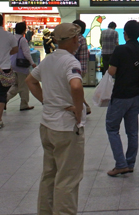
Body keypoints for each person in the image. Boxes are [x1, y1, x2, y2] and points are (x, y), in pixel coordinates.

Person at [25, 23, 86, 215]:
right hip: (65, 128)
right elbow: (76, 86)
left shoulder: (49, 59)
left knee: (49, 175)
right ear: (74, 40)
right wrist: (78, 110)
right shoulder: (71, 62)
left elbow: (30, 81)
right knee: (67, 179)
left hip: (47, 125)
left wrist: (46, 101)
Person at [106, 20, 139, 176]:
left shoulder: (120, 50)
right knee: (132, 131)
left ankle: (120, 164)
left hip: (120, 95)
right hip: (136, 96)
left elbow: (112, 71)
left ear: (124, 33)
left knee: (112, 128)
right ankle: (130, 163)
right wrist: (138, 71)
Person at [7, 22, 36, 111]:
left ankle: (4, 99)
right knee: (24, 85)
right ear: (24, 30)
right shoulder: (22, 40)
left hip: (11, 64)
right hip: (21, 65)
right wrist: (32, 63)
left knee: (16, 84)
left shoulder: (11, 38)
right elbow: (26, 53)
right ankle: (24, 104)